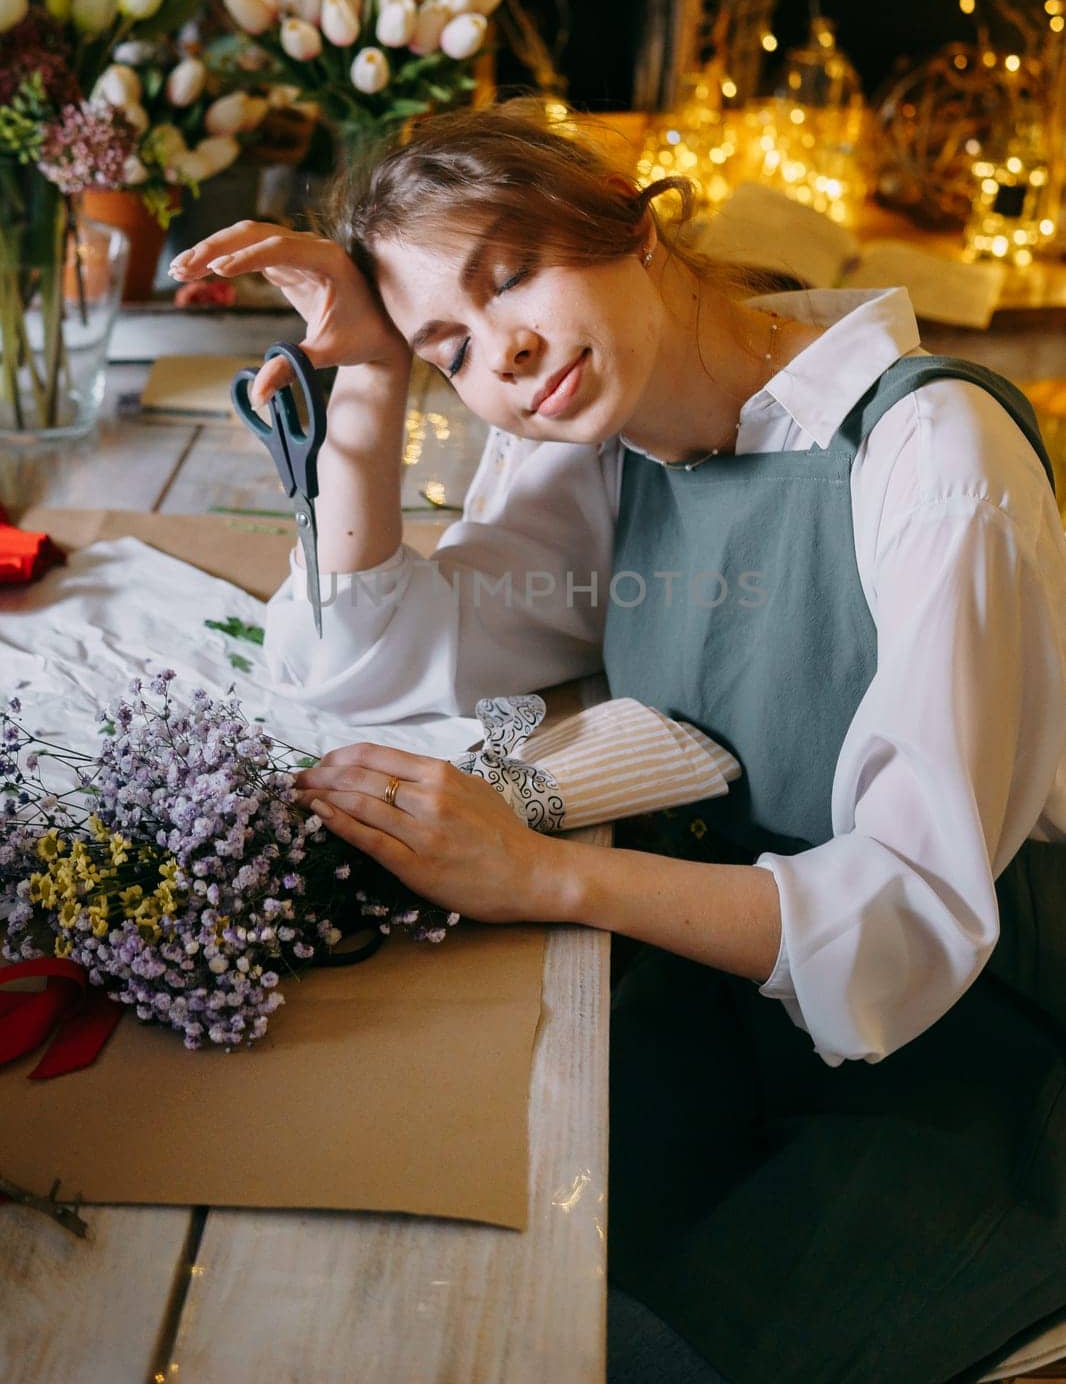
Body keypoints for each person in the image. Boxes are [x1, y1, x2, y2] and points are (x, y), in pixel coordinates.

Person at [170, 99, 1066, 1384]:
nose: (510, 350)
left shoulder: (931, 453)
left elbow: (915, 911)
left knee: (625, 1352)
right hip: (713, 1006)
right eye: (453, 345)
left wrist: (540, 875)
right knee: (422, 1288)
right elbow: (379, 661)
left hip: (961, 1068)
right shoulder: (613, 434)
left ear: (626, 222)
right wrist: (366, 380)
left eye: (512, 272)